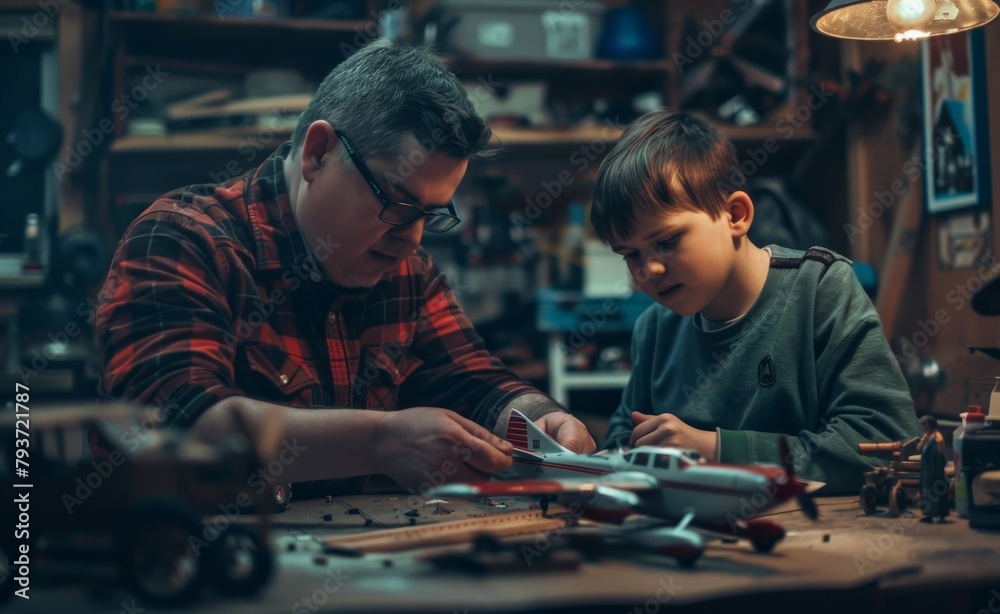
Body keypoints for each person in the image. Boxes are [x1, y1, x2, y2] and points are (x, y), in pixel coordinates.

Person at [96, 40, 594, 498]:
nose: (412, 238)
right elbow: (172, 424)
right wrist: (378, 441)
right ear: (318, 153)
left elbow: (471, 382)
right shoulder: (183, 239)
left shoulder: (407, 272)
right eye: (397, 202)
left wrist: (540, 419)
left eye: (430, 215)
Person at [590, 108, 920, 493]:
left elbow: (891, 445)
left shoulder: (821, 289)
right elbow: (624, 444)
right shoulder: (654, 327)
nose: (649, 271)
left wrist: (717, 448)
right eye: (631, 254)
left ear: (735, 215)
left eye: (666, 242)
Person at [918, 415, 949, 522]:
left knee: (937, 492)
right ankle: (929, 514)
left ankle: (940, 515)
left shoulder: (937, 436)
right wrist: (923, 440)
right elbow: (919, 448)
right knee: (926, 491)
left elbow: (941, 454)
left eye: (924, 424)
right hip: (927, 469)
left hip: (936, 469)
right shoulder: (926, 436)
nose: (923, 427)